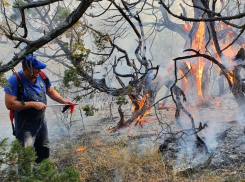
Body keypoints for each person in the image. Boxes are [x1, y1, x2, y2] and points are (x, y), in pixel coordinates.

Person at [4, 54, 74, 164]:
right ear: (27, 69)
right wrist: (32, 104)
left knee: (44, 148)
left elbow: (50, 91)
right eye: (37, 68)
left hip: (41, 120)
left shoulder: (41, 75)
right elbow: (10, 104)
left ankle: (42, 176)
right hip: (25, 124)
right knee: (25, 155)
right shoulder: (15, 80)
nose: (39, 70)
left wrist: (64, 101)